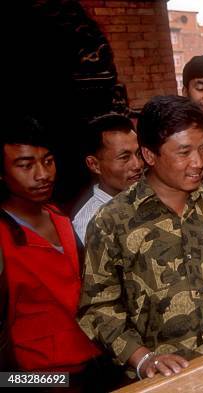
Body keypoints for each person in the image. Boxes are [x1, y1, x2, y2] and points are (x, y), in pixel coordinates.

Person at [78, 96, 203, 381]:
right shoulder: (111, 221)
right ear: (150, 155)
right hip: (166, 377)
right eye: (184, 152)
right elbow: (98, 308)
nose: (198, 162)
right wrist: (142, 358)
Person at [0, 116, 115, 388]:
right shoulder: (4, 236)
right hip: (43, 377)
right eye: (25, 165)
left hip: (96, 361)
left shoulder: (60, 217)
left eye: (48, 161)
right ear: (2, 173)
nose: (42, 174)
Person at [72, 113, 143, 243]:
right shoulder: (90, 223)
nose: (137, 165)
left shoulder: (153, 197)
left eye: (138, 154)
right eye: (124, 157)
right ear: (94, 165)